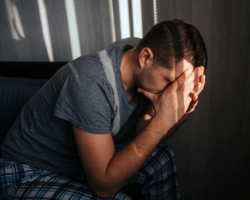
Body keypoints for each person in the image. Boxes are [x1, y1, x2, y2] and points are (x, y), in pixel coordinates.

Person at [0, 19, 207, 200]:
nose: (173, 92)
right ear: (145, 57)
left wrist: (184, 108)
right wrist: (163, 119)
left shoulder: (145, 80)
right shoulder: (90, 82)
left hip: (78, 165)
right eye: (171, 82)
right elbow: (103, 186)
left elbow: (144, 135)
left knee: (161, 159)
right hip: (25, 173)